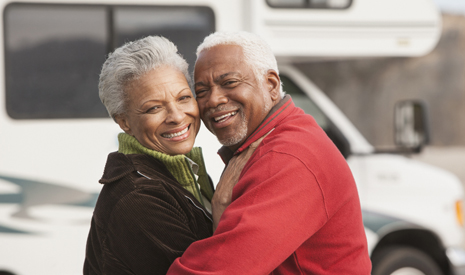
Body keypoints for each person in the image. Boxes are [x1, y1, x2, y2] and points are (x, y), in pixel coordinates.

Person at [168, 31, 371, 274]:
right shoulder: (277, 137)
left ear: (271, 85)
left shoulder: (287, 157)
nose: (213, 100)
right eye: (201, 92)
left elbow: (220, 269)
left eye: (229, 83)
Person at [83, 36, 253, 275]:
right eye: (154, 107)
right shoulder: (138, 197)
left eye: (183, 97)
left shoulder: (180, 172)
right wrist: (222, 207)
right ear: (124, 122)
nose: (177, 116)